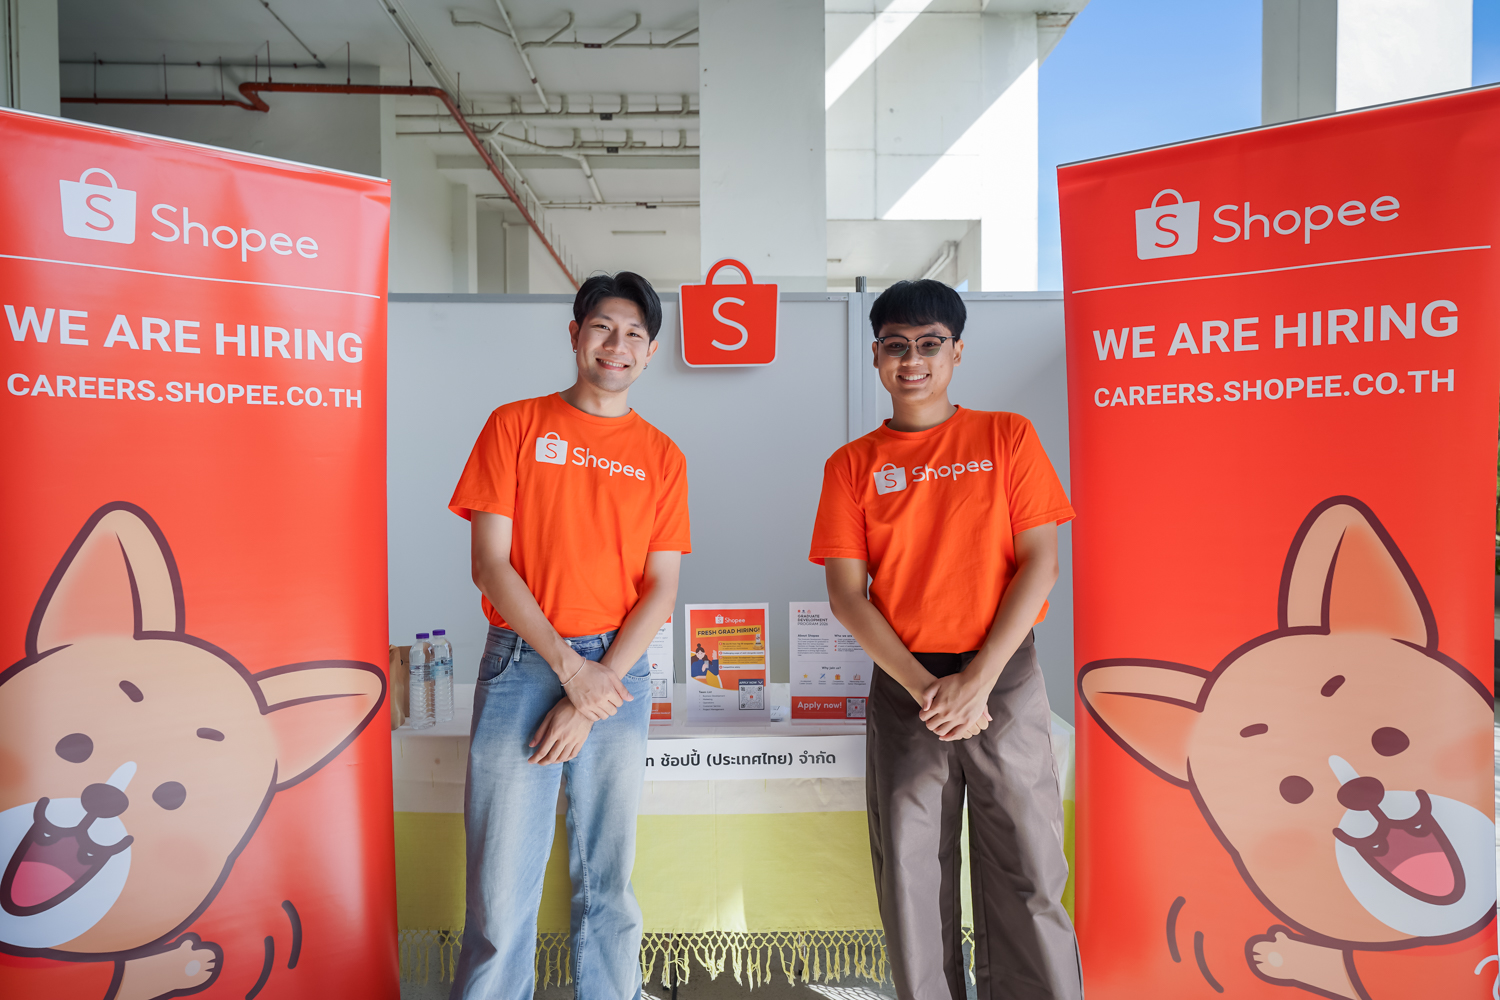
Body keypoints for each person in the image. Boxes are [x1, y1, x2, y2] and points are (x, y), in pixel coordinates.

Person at [809, 279, 1081, 1000]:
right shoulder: (852, 465)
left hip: (1003, 677)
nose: (913, 360)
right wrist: (929, 689)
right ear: (876, 357)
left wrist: (978, 681)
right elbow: (847, 596)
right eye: (896, 346)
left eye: (930, 344)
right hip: (908, 688)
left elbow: (1041, 564)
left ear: (957, 352)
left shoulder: (1007, 436)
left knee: (1027, 864)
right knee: (911, 873)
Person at [447, 272, 690, 1000]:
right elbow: (490, 564)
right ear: (576, 334)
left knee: (609, 879)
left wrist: (593, 687)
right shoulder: (515, 425)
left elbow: (661, 587)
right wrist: (570, 671)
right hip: (524, 663)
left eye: (635, 334)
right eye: (603, 327)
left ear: (650, 352)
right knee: (500, 891)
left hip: (619, 670)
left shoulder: (663, 456)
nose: (617, 345)